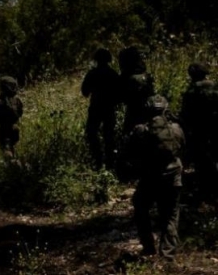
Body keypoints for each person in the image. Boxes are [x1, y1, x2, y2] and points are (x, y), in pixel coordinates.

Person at [123, 95, 185, 259]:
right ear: (166, 109)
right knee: (170, 215)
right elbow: (183, 149)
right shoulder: (176, 129)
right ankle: (168, 254)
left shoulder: (140, 131)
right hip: (173, 177)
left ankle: (148, 246)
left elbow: (128, 153)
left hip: (150, 178)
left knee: (140, 206)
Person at [179, 62, 218, 201]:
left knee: (203, 161)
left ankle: (207, 190)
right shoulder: (215, 85)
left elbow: (186, 115)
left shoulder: (192, 91)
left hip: (200, 130)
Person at [81, 48, 121, 170]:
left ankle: (98, 160)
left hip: (96, 108)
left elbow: (85, 92)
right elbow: (119, 94)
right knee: (109, 135)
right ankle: (110, 162)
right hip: (109, 109)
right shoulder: (113, 74)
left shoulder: (92, 73)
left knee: (92, 133)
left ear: (96, 59)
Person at [118, 46, 156, 135]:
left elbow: (120, 97)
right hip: (148, 112)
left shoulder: (128, 78)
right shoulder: (146, 76)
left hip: (134, 113)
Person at [0, 76, 23, 157]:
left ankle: (9, 167)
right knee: (14, 148)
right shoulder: (17, 100)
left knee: (6, 150)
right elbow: (20, 113)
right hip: (15, 128)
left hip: (4, 130)